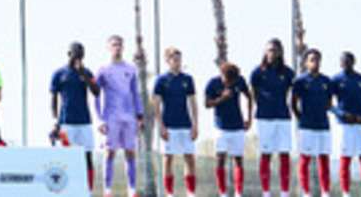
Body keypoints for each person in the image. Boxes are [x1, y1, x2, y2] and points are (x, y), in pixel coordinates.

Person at [96, 35, 143, 197]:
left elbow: (135, 93)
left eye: (120, 45)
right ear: (108, 48)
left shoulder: (130, 69)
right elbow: (96, 95)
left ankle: (132, 190)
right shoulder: (103, 70)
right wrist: (100, 119)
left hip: (129, 117)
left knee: (130, 151)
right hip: (111, 117)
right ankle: (107, 190)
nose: (117, 48)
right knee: (110, 152)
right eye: (114, 45)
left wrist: (139, 114)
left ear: (123, 48)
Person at [50, 41, 100, 190]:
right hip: (66, 122)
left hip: (84, 122)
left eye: (81, 54)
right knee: (65, 158)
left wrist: (83, 73)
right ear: (69, 54)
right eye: (75, 53)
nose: (78, 56)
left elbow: (96, 92)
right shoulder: (59, 74)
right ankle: (66, 189)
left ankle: (88, 190)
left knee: (87, 157)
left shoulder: (87, 72)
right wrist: (55, 121)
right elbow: (53, 99)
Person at [250, 38, 295, 197]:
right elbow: (253, 93)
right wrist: (262, 105)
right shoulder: (257, 72)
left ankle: (284, 192)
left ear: (280, 52)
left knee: (284, 154)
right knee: (266, 154)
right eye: (268, 50)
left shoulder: (288, 72)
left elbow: (293, 94)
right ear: (264, 52)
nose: (271, 53)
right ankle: (266, 192)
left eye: (274, 50)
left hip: (283, 117)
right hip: (264, 118)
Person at [152, 48, 198, 197]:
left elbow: (193, 103)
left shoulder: (188, 79)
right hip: (169, 125)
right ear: (168, 61)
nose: (177, 62)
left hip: (185, 124)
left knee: (189, 158)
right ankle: (169, 193)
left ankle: (190, 192)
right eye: (174, 59)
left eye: (179, 59)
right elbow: (156, 105)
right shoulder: (161, 80)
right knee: (168, 159)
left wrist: (195, 125)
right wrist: (161, 126)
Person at [331, 52, 361, 195]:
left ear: (353, 61)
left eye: (348, 60)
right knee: (345, 159)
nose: (345, 62)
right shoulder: (336, 80)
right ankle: (345, 193)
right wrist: (342, 114)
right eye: (343, 60)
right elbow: (329, 103)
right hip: (344, 126)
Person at [206, 62, 252, 197]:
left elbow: (249, 96)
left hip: (237, 126)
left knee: (238, 159)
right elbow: (207, 103)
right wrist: (222, 98)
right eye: (227, 80)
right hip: (221, 127)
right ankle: (223, 193)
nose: (229, 84)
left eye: (232, 81)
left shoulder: (239, 81)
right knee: (220, 159)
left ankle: (238, 193)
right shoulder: (213, 83)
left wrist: (249, 118)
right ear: (222, 75)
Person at [291, 49, 333, 197]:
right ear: (306, 62)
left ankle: (325, 192)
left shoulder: (326, 81)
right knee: (305, 160)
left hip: (323, 126)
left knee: (324, 160)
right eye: (312, 59)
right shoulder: (300, 81)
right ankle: (306, 193)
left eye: (317, 59)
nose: (315, 62)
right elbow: (293, 103)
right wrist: (301, 118)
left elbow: (329, 103)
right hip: (307, 127)